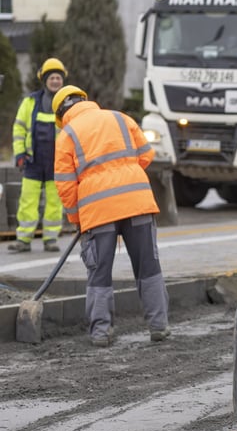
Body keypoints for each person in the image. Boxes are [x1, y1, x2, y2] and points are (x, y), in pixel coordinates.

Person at [52, 85, 169, 347]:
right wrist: (126, 173)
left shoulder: (67, 135)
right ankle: (159, 326)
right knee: (148, 266)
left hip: (97, 209)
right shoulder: (120, 117)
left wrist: (77, 220)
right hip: (137, 201)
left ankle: (101, 333)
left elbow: (65, 184)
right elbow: (147, 154)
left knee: (99, 273)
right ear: (85, 101)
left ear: (61, 115)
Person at [8, 58, 67, 253]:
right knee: (28, 200)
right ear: (45, 80)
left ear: (62, 80)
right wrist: (19, 154)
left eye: (58, 77)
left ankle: (50, 239)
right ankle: (23, 240)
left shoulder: (67, 103)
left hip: (57, 163)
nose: (55, 81)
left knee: (54, 201)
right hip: (33, 161)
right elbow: (19, 129)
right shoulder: (30, 102)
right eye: (52, 78)